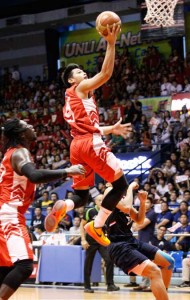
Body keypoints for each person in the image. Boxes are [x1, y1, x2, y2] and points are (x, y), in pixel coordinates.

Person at [45, 23, 132, 246]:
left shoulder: (74, 98)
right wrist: (111, 43)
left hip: (77, 146)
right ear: (72, 80)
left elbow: (87, 129)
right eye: (78, 72)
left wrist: (110, 129)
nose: (83, 73)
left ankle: (66, 205)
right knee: (120, 185)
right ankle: (97, 225)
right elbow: (106, 73)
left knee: (82, 195)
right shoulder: (80, 89)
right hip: (91, 144)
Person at [0, 118, 85, 300]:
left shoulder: (10, 154)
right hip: (9, 215)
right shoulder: (19, 152)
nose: (32, 126)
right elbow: (36, 175)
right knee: (24, 266)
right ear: (22, 134)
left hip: (7, 213)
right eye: (27, 125)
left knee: (6, 267)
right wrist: (68, 171)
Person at [106, 187, 174, 300]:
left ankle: (162, 294)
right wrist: (131, 187)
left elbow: (139, 220)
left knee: (168, 262)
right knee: (155, 271)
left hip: (131, 241)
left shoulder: (124, 202)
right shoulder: (109, 193)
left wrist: (142, 202)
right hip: (119, 246)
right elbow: (126, 207)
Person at [80, 194, 120, 293]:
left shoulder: (107, 211)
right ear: (95, 201)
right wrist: (83, 240)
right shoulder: (90, 211)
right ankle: (87, 286)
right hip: (91, 240)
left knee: (109, 259)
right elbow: (82, 225)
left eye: (103, 200)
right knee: (88, 263)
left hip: (102, 240)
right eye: (99, 200)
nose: (102, 202)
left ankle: (110, 284)